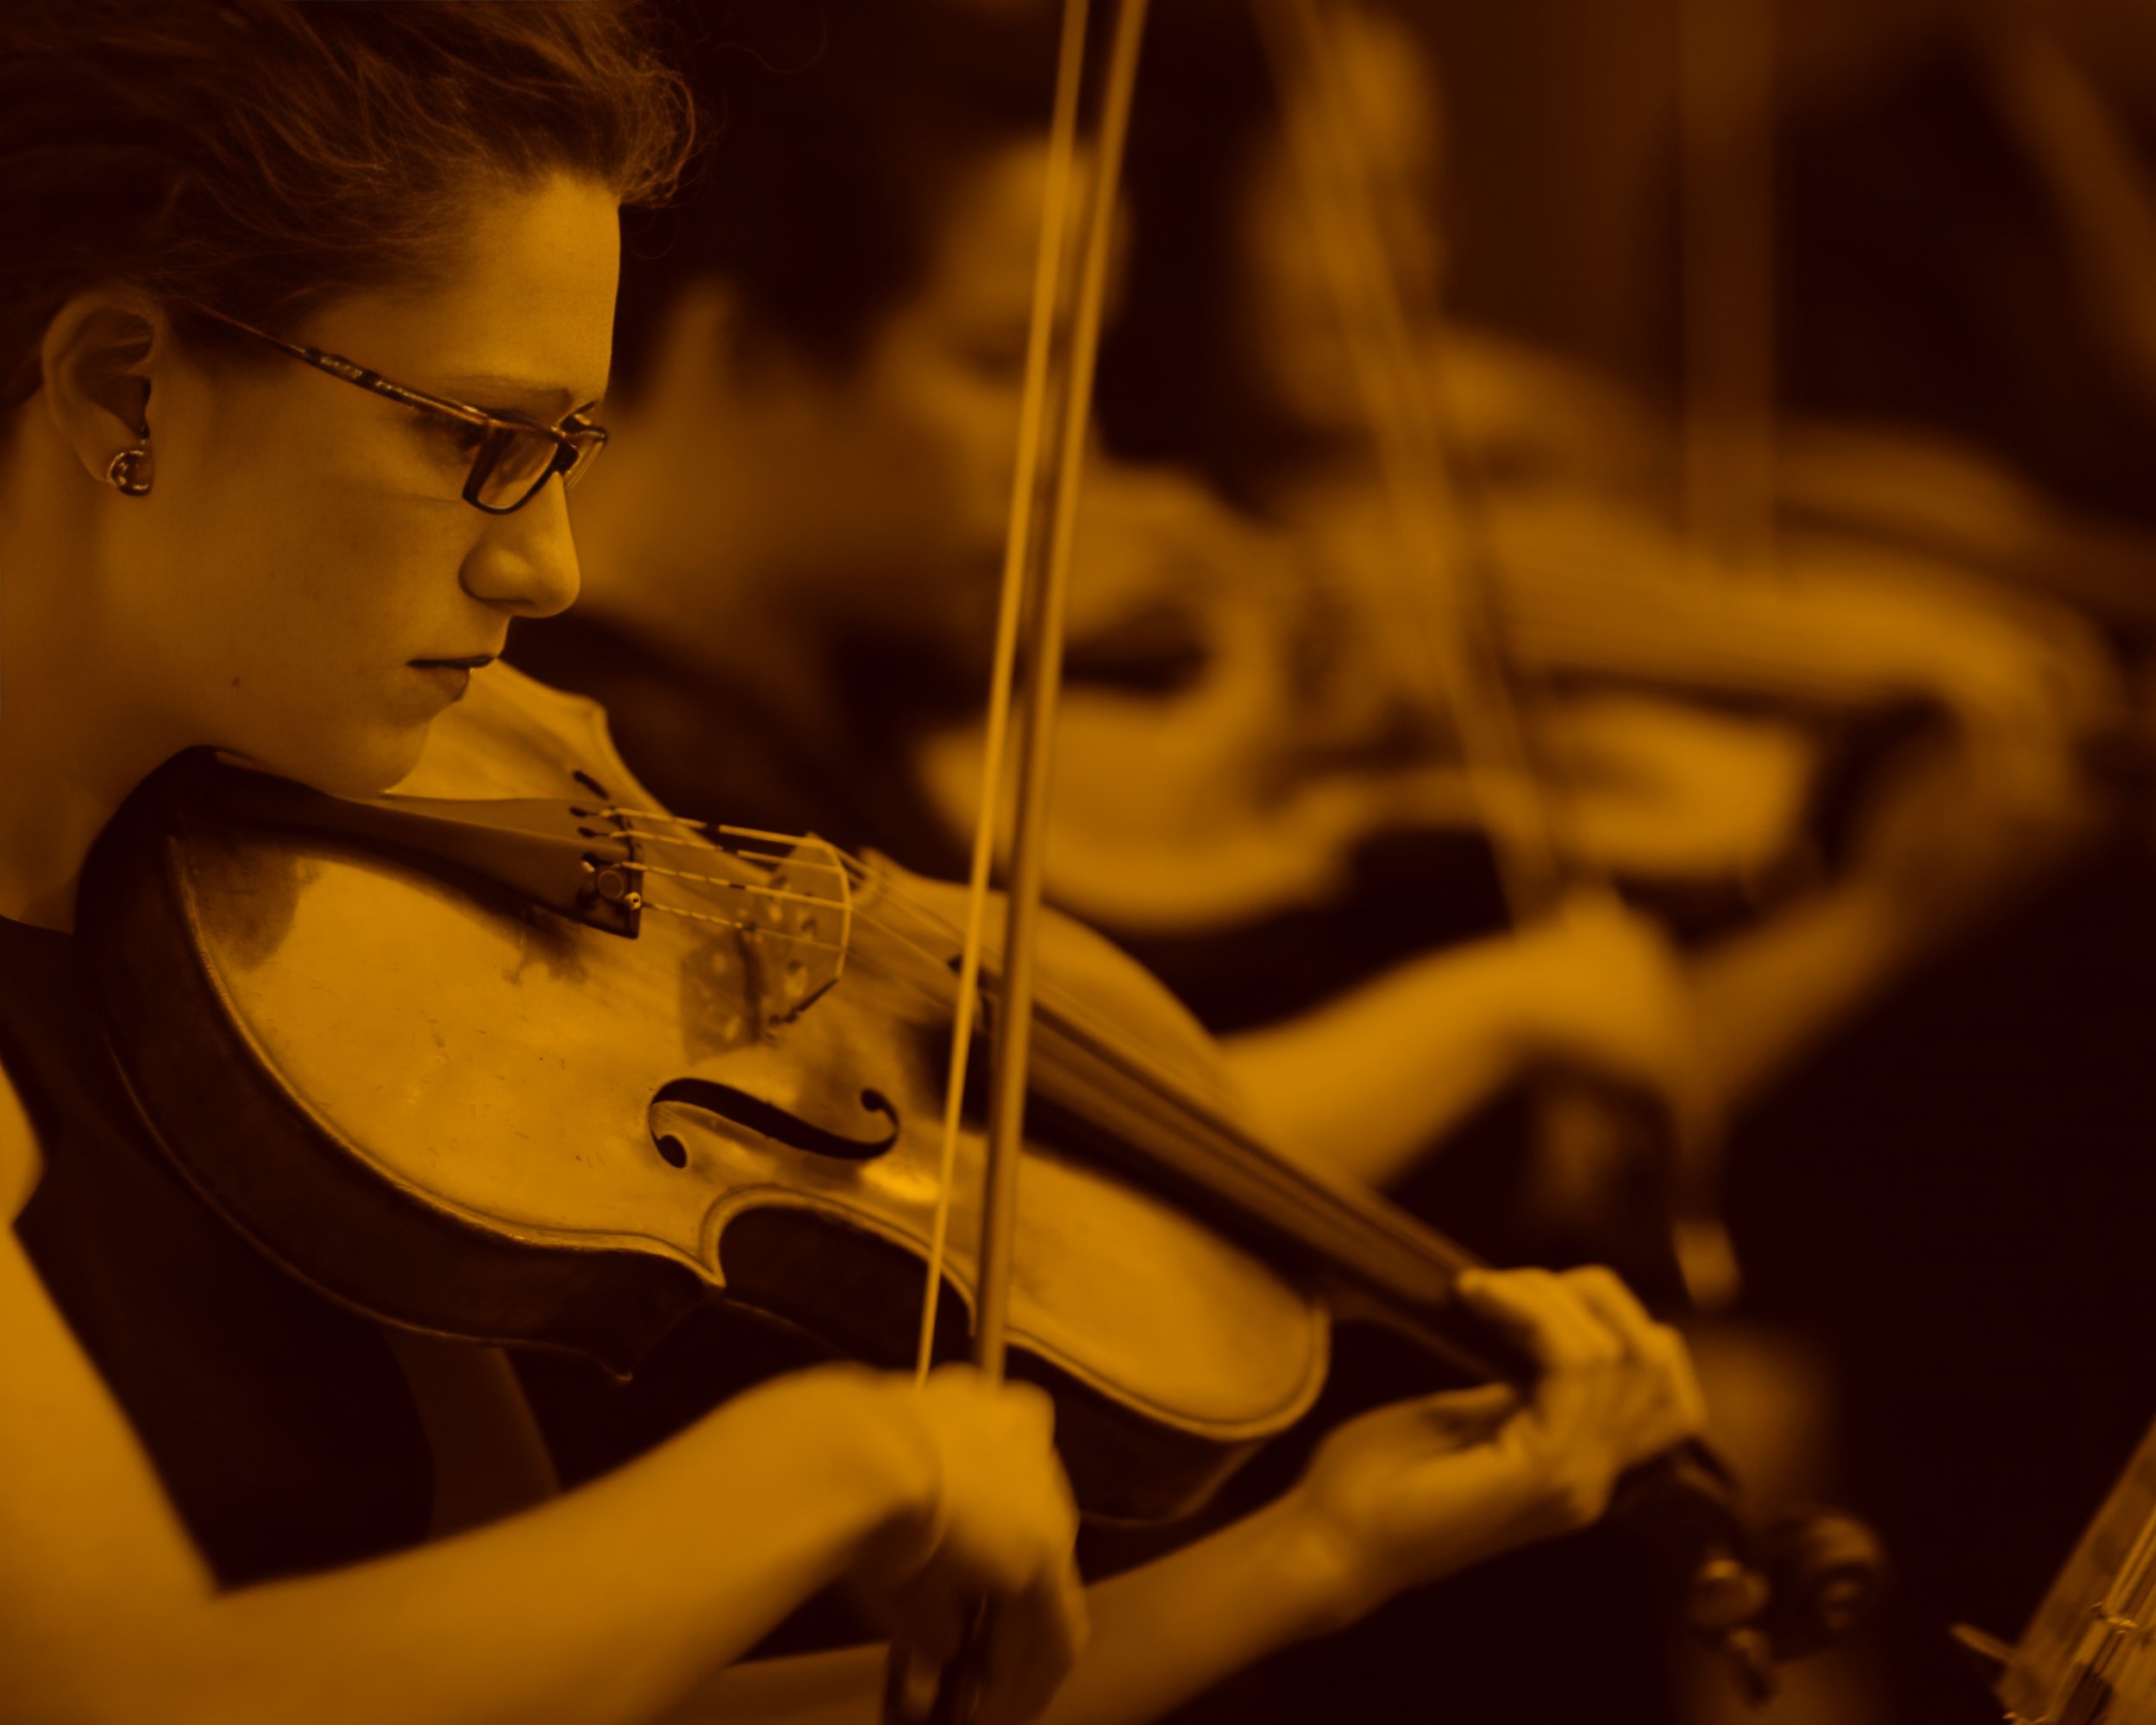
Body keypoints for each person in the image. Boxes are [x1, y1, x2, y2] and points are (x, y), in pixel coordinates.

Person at [0, 6, 1712, 1723]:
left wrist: (1317, 1555)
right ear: (121, 388)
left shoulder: (284, 963)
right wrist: (826, 1461)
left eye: (570, 449)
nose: (553, 568)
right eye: (479, 442)